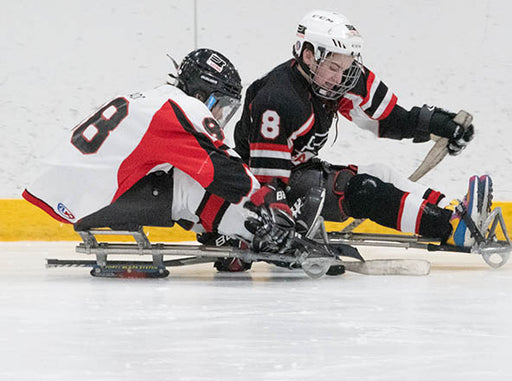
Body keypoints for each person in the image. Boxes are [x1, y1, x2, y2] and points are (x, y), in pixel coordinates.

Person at [234, 9, 492, 248]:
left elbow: (391, 118)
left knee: (382, 172)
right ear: (308, 55)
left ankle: (455, 211)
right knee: (363, 191)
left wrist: (438, 125)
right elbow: (267, 181)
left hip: (300, 171)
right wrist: (281, 232)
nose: (340, 78)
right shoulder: (276, 99)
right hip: (259, 189)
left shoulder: (336, 79)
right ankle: (451, 228)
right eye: (334, 68)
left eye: (345, 68)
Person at [22, 48, 295, 260]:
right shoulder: (184, 107)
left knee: (184, 172)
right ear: (202, 94)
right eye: (220, 104)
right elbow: (219, 166)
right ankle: (256, 233)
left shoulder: (151, 99)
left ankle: (228, 229)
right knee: (191, 184)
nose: (221, 114)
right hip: (89, 202)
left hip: (69, 193)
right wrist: (265, 199)